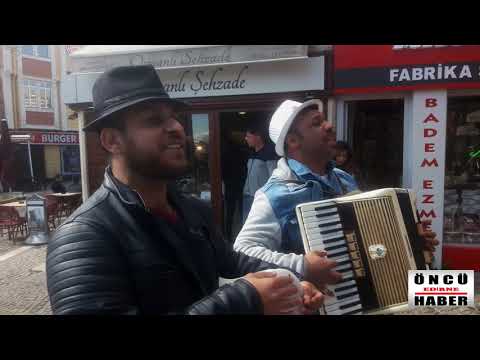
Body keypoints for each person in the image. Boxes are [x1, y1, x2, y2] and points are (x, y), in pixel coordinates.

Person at [46, 65, 324, 315]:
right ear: (111, 140)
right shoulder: (82, 238)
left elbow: (233, 261)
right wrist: (244, 300)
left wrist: (293, 282)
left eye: (175, 117)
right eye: (154, 120)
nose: (177, 128)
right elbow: (241, 294)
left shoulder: (192, 211)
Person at [234, 99, 439, 288]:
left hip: (358, 294)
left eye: (325, 120)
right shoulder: (275, 195)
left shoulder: (342, 178)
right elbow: (243, 250)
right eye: (317, 123)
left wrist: (409, 241)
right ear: (294, 141)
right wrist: (302, 265)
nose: (330, 126)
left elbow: (367, 232)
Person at [242, 122, 279, 223]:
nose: (246, 139)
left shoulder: (270, 153)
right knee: (246, 226)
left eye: (248, 136)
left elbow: (274, 178)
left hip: (260, 199)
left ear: (258, 136)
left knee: (257, 226)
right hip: (247, 197)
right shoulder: (252, 153)